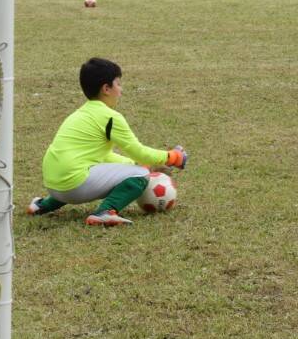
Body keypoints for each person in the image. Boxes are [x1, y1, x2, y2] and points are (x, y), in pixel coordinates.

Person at [26, 58, 188, 226]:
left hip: (52, 185)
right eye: (118, 84)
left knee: (74, 171)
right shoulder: (110, 117)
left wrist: (135, 163)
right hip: (73, 186)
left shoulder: (80, 114)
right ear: (106, 89)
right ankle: (106, 212)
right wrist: (173, 157)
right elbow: (138, 151)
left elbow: (104, 157)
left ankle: (41, 205)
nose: (121, 90)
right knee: (141, 175)